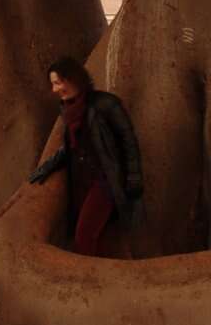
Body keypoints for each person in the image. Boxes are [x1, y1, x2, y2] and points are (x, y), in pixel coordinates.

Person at [27, 57, 144, 256]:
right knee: (87, 234)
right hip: (81, 183)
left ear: (72, 79)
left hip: (105, 182)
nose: (54, 90)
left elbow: (129, 141)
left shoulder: (105, 104)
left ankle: (87, 281)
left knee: (84, 235)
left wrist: (134, 179)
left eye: (57, 83)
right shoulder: (68, 111)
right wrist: (45, 168)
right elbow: (70, 148)